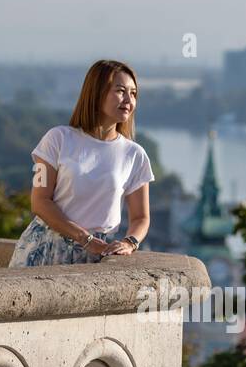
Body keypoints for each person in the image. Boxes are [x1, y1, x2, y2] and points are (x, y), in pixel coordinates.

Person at [8, 60, 154, 267]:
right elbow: (40, 202)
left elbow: (141, 217)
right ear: (96, 92)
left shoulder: (135, 155)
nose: (128, 100)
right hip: (44, 247)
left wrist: (130, 242)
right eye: (121, 91)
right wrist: (84, 239)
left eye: (133, 93)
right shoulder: (57, 139)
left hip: (96, 255)